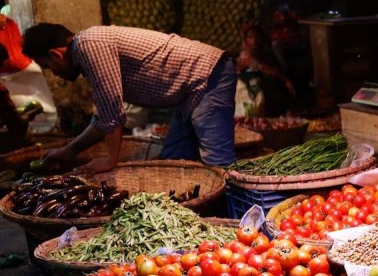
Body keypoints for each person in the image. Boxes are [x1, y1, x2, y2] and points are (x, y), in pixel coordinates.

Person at [22, 24, 237, 173]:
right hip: (189, 92)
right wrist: (68, 152)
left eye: (49, 68)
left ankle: (239, 225)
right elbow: (104, 118)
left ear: (55, 55)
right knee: (175, 156)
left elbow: (113, 115)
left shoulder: (90, 44)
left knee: (218, 164)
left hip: (207, 76)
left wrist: (110, 160)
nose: (54, 73)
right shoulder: (88, 49)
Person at [237, 24, 295, 117]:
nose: (254, 41)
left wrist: (285, 80)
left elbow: (275, 71)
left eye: (257, 37)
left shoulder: (268, 56)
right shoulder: (243, 57)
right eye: (250, 37)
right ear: (245, 40)